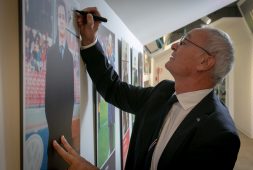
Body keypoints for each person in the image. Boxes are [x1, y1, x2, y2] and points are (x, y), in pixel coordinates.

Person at [53, 7, 240, 170]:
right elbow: (114, 89)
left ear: (205, 61)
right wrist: (89, 40)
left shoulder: (220, 134)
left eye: (184, 41)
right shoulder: (164, 92)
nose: (174, 45)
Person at [45, 0, 74, 169]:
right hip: (54, 120)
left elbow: (70, 93)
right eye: (59, 16)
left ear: (66, 21)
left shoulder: (70, 56)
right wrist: (52, 121)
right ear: (57, 20)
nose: (62, 20)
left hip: (66, 120)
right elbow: (49, 91)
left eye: (64, 17)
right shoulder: (50, 52)